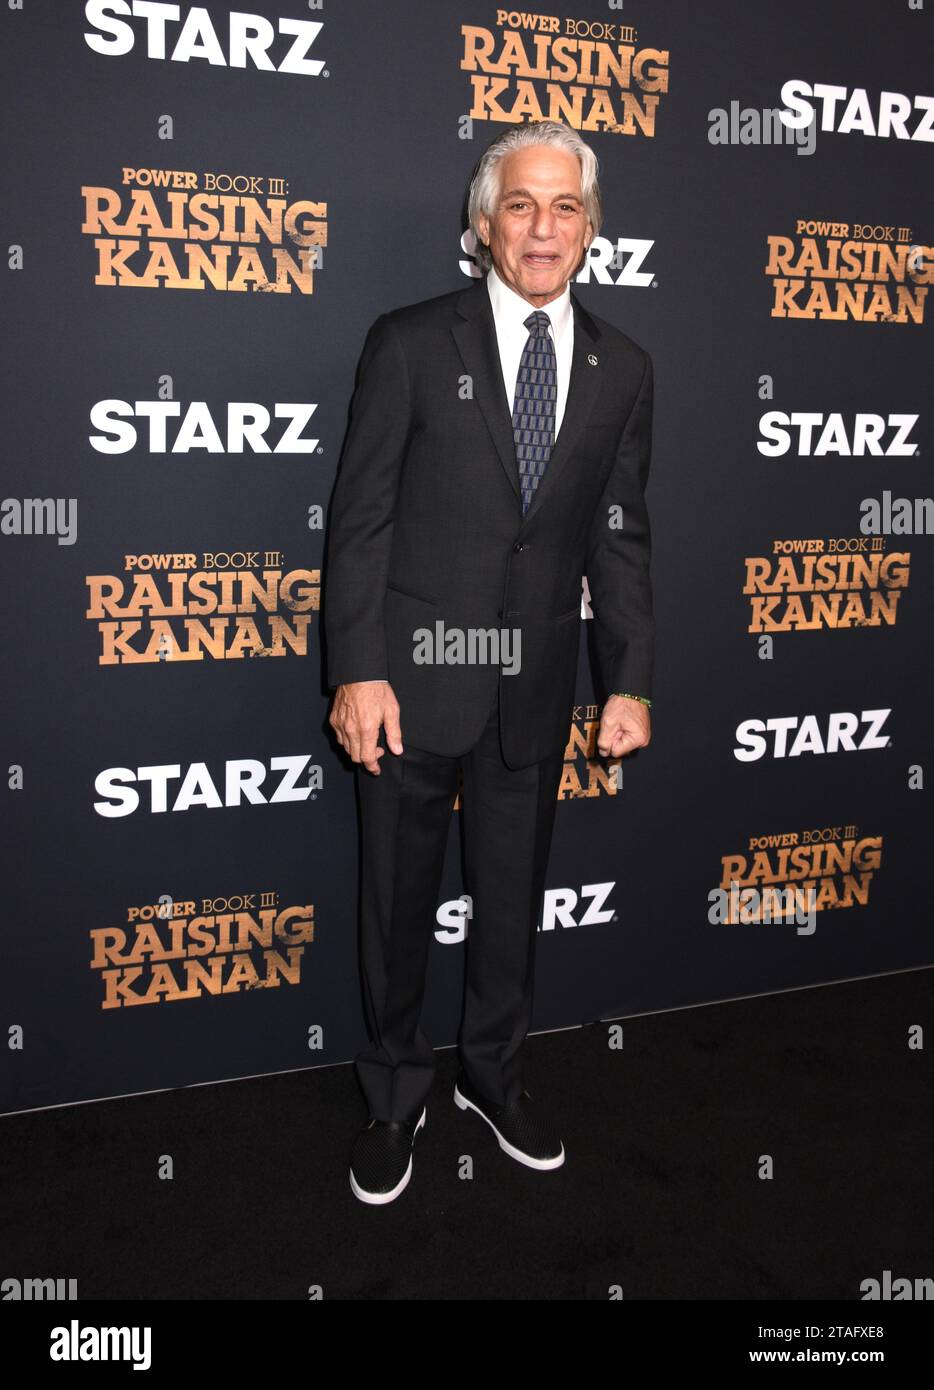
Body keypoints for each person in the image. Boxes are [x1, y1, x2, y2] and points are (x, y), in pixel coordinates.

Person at [323, 119, 655, 1204]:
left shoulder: (622, 367)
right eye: (520, 204)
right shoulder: (411, 343)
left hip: (535, 686)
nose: (543, 228)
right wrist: (356, 669)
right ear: (482, 225)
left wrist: (628, 678)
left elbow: (618, 536)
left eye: (565, 207)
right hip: (410, 682)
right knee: (395, 905)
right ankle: (392, 1093)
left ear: (591, 228)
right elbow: (360, 522)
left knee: (511, 904)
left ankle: (492, 1075)